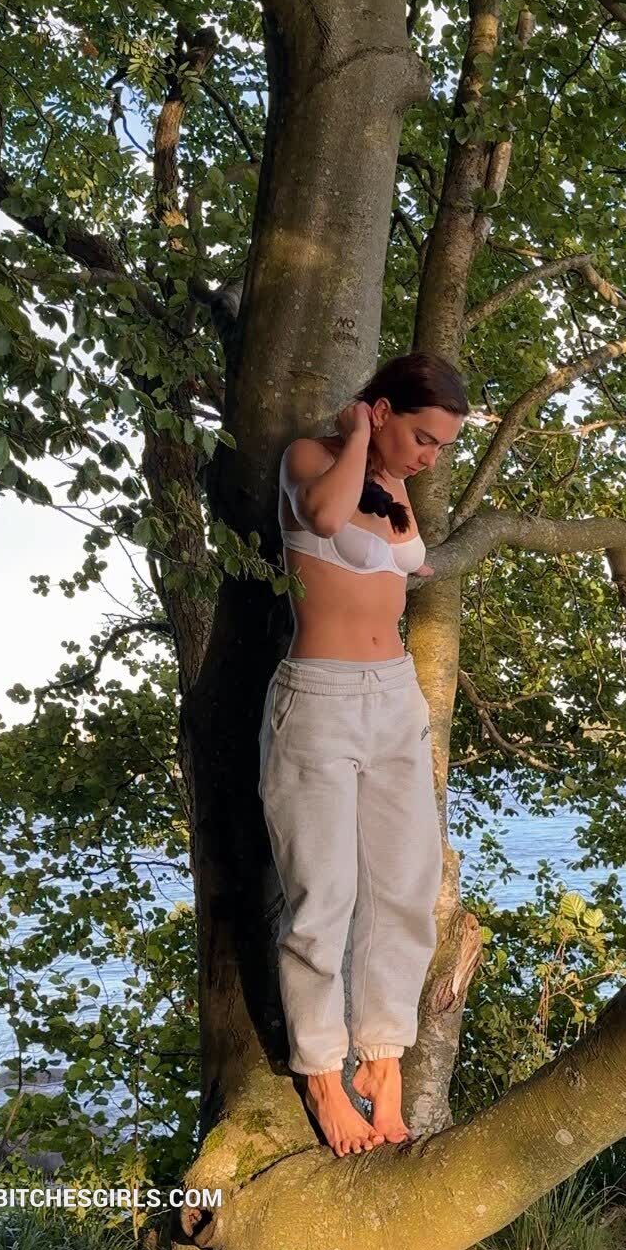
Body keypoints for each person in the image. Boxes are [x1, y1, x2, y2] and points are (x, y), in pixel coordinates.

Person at [258, 350, 468, 1157]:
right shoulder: (312, 459)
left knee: (405, 883)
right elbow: (321, 520)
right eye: (423, 437)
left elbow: (397, 561)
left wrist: (392, 471)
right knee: (325, 893)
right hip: (320, 701)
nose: (430, 458)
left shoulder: (393, 483)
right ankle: (320, 1069)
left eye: (442, 446)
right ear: (380, 411)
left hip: (394, 696)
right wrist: (354, 434)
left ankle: (381, 1055)